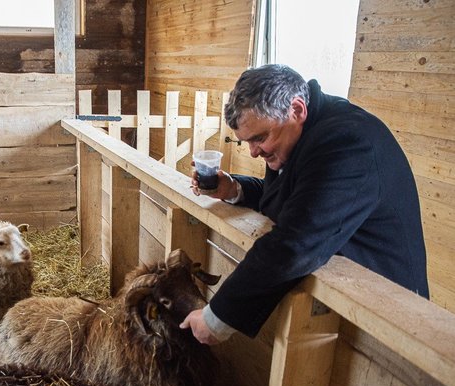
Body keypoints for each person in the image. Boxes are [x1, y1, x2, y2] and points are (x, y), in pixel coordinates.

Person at [180, 64, 429, 344]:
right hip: (343, 301)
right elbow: (296, 198)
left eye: (259, 138)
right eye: (246, 142)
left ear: (296, 110)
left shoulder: (347, 142)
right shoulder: (297, 133)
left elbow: (295, 242)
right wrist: (235, 188)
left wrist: (216, 319)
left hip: (388, 314)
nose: (253, 152)